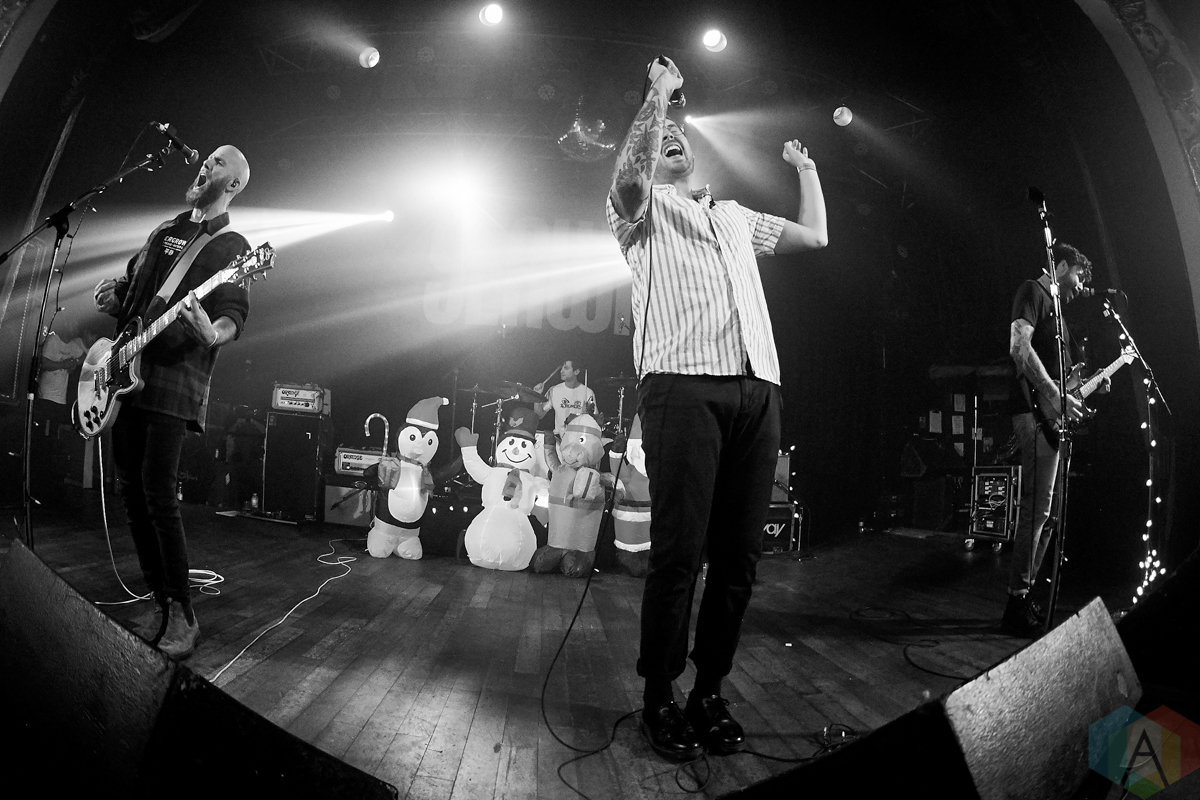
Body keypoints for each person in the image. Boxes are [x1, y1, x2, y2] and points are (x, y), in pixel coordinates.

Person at [606, 57, 827, 760]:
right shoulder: (640, 210)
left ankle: (708, 691)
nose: (673, 138)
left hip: (758, 387)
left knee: (739, 556)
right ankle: (658, 697)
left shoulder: (733, 216)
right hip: (682, 384)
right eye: (662, 137)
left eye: (680, 135)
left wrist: (806, 170)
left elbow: (814, 237)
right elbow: (630, 177)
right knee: (679, 553)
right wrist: (658, 95)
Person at [93, 144, 252, 659]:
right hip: (124, 373)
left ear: (233, 184)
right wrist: (116, 297)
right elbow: (133, 294)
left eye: (219, 162)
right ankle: (159, 601)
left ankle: (183, 613)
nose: (206, 163)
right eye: (208, 158)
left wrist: (212, 332)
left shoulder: (233, 246)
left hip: (173, 381)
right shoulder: (164, 231)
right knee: (130, 493)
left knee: (158, 494)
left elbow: (233, 313)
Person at [1003, 242, 1103, 638]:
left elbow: (1062, 379)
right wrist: (1055, 394)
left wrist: (1083, 387)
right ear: (1060, 266)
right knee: (1036, 510)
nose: (1080, 284)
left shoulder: (1058, 315)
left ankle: (1025, 594)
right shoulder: (1033, 291)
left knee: (1050, 515)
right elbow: (1019, 348)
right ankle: (1015, 602)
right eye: (1078, 274)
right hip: (1032, 414)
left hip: (1049, 416)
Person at [533, 358, 598, 435]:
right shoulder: (554, 390)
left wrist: (588, 414)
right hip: (559, 437)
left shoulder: (588, 392)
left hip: (579, 436)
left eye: (566, 368)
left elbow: (595, 421)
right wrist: (536, 395)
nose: (561, 371)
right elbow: (539, 415)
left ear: (576, 372)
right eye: (562, 368)